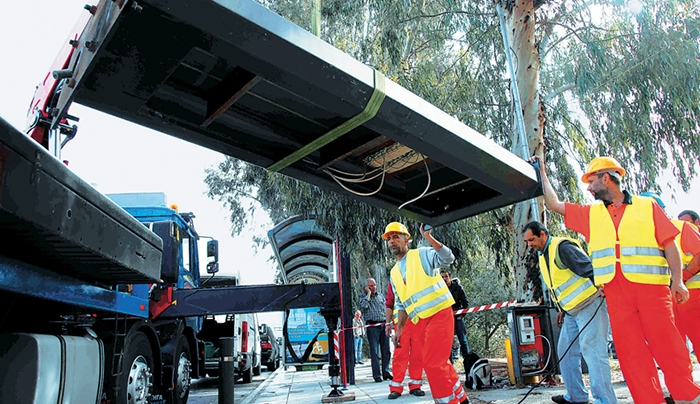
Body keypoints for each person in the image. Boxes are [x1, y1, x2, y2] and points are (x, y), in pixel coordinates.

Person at [531, 155, 700, 404]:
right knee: (632, 356)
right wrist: (541, 171)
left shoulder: (647, 207)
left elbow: (669, 246)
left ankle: (689, 398)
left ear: (606, 178)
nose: (588, 188)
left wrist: (678, 280)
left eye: (591, 181)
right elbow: (555, 204)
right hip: (616, 296)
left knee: (669, 348)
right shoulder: (592, 214)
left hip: (653, 293)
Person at [522, 221, 617, 404]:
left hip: (589, 305)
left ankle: (605, 401)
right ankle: (576, 397)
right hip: (571, 312)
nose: (530, 244)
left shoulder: (562, 247)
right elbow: (558, 285)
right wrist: (562, 310)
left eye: (531, 239)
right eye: (527, 241)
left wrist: (601, 285)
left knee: (594, 352)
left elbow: (588, 267)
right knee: (565, 352)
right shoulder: (543, 255)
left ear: (542, 234)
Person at [384, 222, 469, 404]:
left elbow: (448, 258)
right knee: (440, 362)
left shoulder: (421, 253)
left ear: (407, 239)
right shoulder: (394, 273)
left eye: (396, 236)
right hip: (419, 321)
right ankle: (461, 398)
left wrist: (429, 238)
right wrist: (398, 328)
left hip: (439, 313)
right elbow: (401, 304)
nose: (392, 241)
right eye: (389, 238)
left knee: (432, 363)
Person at [385, 283, 426, 399]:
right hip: (401, 323)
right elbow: (389, 303)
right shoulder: (395, 277)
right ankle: (396, 387)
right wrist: (388, 323)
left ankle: (415, 385)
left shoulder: (417, 273)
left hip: (418, 320)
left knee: (418, 354)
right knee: (400, 354)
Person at [359, 277, 392, 382]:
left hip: (383, 324)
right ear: (366, 287)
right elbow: (364, 307)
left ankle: (386, 372)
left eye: (374, 285)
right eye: (371, 286)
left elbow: (385, 308)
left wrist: (388, 323)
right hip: (372, 326)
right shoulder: (363, 297)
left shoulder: (381, 296)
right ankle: (377, 375)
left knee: (386, 350)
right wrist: (368, 294)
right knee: (375, 352)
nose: (373, 288)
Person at [440, 270, 471, 365]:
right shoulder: (439, 289)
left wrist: (461, 316)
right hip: (445, 319)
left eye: (446, 276)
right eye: (442, 277)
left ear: (450, 276)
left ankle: (468, 362)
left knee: (463, 340)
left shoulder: (458, 288)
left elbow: (465, 303)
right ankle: (449, 364)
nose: (444, 279)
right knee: (447, 341)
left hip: (458, 317)